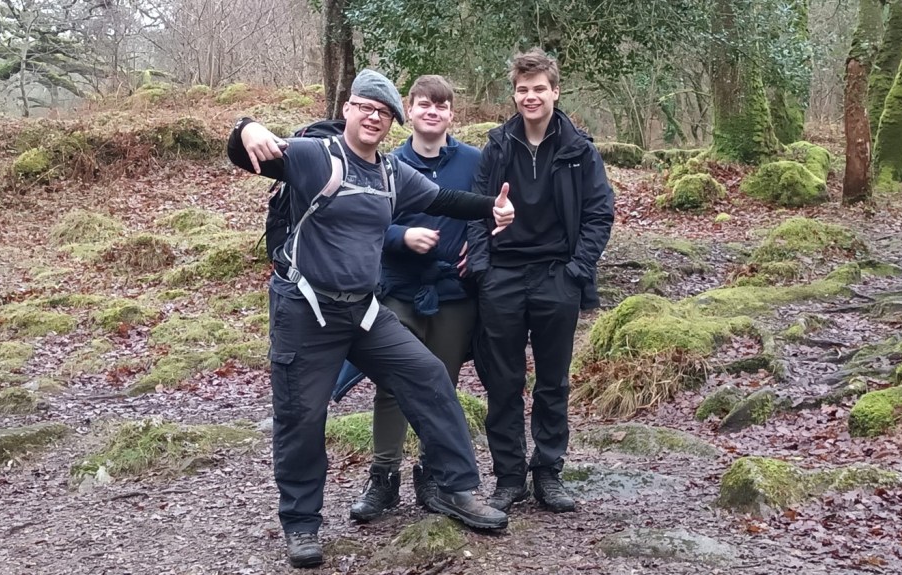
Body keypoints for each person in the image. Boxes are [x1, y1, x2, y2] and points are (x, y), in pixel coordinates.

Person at [226, 69, 511, 569]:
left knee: (427, 376)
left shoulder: (391, 173)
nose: (375, 117)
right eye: (366, 107)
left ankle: (455, 487)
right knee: (301, 416)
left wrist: (493, 207)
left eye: (384, 113)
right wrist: (246, 126)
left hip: (363, 309)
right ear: (348, 109)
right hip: (305, 310)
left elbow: (444, 200)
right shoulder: (316, 156)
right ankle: (301, 523)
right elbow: (247, 153)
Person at [465, 48, 614, 514]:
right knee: (503, 381)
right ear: (514, 94)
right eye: (522, 90)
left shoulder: (579, 150)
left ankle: (548, 471)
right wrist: (484, 270)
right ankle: (509, 477)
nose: (531, 97)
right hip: (503, 277)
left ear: (555, 92)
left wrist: (577, 271)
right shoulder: (497, 146)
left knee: (553, 382)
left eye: (539, 89)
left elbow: (600, 213)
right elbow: (475, 209)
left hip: (556, 276)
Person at [346, 75, 482, 522]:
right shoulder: (388, 164)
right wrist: (402, 236)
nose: (432, 112)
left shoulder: (475, 161)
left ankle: (434, 474)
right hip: (399, 291)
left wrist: (479, 246)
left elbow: (491, 211)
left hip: (454, 294)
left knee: (441, 385)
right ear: (409, 110)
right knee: (393, 382)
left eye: (441, 106)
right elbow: (363, 220)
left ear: (451, 114)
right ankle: (383, 477)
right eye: (424, 104)